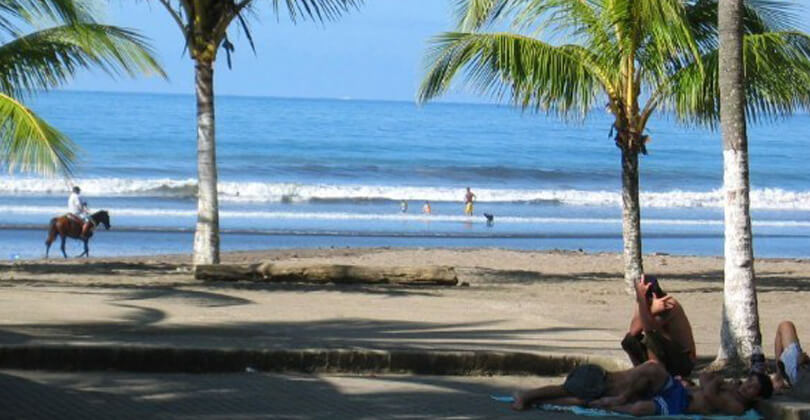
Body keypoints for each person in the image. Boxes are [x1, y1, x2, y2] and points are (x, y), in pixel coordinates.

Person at [590, 365, 773, 417]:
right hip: (682, 390)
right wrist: (713, 383)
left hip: (683, 404)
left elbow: (709, 394)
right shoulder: (732, 387)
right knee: (652, 369)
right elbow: (702, 376)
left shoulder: (738, 406)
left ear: (756, 395)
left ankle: (608, 406)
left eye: (752, 387)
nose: (746, 385)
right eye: (749, 381)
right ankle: (622, 397)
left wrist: (716, 381)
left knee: (640, 409)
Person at [512, 361, 670, 410]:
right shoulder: (657, 372)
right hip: (598, 379)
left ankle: (536, 401)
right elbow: (650, 368)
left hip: (600, 388)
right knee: (564, 390)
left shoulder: (654, 390)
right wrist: (622, 398)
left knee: (579, 401)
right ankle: (526, 395)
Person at [621, 274, 696, 377]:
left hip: (683, 361)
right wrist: (643, 302)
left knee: (651, 337)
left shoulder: (668, 304)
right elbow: (633, 331)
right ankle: (641, 373)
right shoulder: (644, 302)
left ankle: (657, 377)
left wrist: (646, 306)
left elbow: (649, 329)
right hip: (667, 356)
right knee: (629, 340)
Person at [772, 320, 809, 391]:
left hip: (803, 378)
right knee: (786, 326)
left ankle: (779, 378)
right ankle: (779, 378)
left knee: (785, 326)